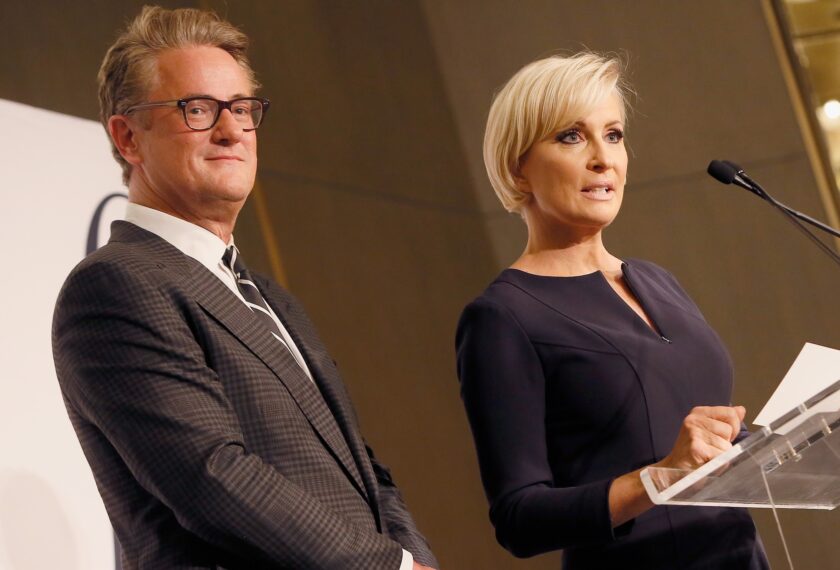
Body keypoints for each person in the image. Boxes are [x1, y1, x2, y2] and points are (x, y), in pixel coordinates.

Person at [52, 6, 437, 569]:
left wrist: (415, 558)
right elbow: (212, 475)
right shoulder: (115, 286)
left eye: (242, 109)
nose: (232, 129)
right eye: (199, 109)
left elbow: (364, 470)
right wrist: (390, 568)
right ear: (128, 137)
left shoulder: (270, 298)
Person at [455, 53, 769, 569]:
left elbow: (699, 437)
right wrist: (660, 478)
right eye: (571, 137)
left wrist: (774, 440)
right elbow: (519, 517)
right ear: (519, 167)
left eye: (615, 135)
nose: (604, 158)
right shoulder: (502, 317)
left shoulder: (657, 281)